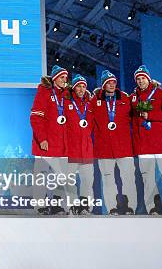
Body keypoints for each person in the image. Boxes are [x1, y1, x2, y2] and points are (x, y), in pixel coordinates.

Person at [130, 65, 162, 215]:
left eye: (143, 78)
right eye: (138, 79)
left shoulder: (161, 93)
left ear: (148, 79)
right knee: (148, 181)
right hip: (144, 147)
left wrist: (151, 116)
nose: (140, 81)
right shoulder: (133, 97)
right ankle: (153, 208)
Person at [89, 70, 137, 215]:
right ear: (103, 85)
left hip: (124, 147)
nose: (111, 84)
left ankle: (130, 207)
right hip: (104, 148)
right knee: (108, 179)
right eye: (108, 82)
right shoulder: (95, 100)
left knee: (128, 178)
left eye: (113, 82)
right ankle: (112, 207)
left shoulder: (124, 98)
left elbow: (134, 118)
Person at [29, 65, 71, 214]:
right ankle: (39, 206)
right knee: (41, 176)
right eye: (61, 77)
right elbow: (35, 117)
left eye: (65, 77)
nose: (64, 80)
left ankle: (58, 205)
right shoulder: (44, 92)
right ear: (54, 79)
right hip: (45, 144)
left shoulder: (66, 95)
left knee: (60, 177)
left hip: (61, 145)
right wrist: (42, 139)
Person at [64, 74, 94, 215]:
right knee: (70, 181)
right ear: (74, 88)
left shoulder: (90, 104)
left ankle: (85, 207)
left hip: (87, 149)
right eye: (78, 86)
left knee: (87, 181)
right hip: (71, 149)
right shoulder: (66, 103)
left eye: (83, 86)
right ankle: (72, 206)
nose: (81, 89)